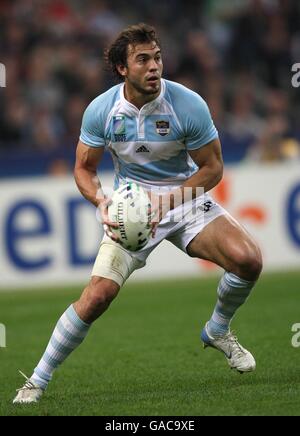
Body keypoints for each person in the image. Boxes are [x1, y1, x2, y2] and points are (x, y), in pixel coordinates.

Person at [13, 23, 262, 404]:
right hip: (132, 206)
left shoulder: (188, 104)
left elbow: (212, 168)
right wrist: (101, 201)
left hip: (185, 198)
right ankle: (36, 380)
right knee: (97, 297)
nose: (154, 67)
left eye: (157, 57)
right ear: (122, 69)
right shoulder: (102, 110)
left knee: (248, 260)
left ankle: (217, 329)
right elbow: (83, 168)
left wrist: (171, 200)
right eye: (142, 59)